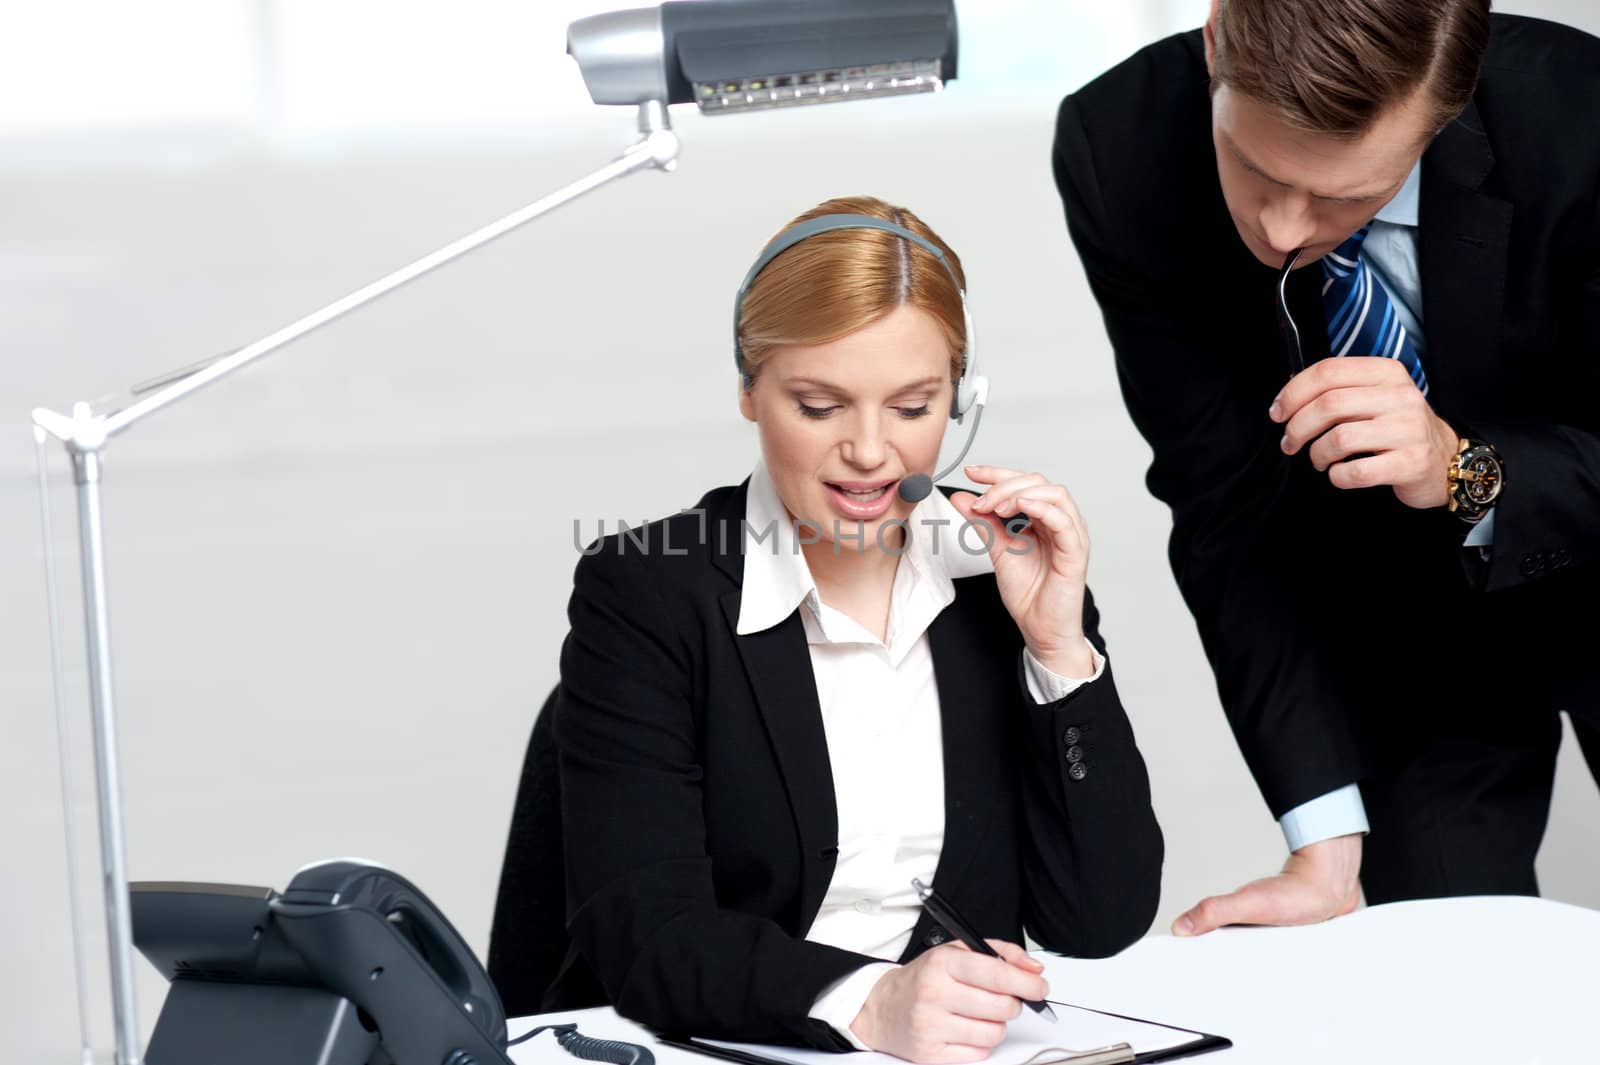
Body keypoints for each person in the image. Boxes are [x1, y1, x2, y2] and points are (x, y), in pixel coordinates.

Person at [541, 195, 1163, 1061]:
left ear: (962, 400)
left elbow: (1100, 919)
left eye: (912, 407)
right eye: (820, 404)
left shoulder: (1001, 575)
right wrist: (871, 1000)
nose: (870, 451)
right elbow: (645, 934)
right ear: (751, 392)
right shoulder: (646, 591)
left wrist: (1059, 654)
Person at [1052, 0, 1600, 937]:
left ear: (1448, 111)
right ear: (1217, 41)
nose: (1280, 226)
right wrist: (1323, 836)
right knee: (1445, 971)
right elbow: (1225, 506)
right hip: (1404, 627)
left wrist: (1461, 468)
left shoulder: (1581, 114)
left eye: (1349, 196)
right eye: (1255, 167)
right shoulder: (1121, 147)